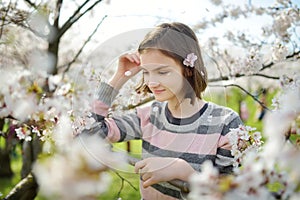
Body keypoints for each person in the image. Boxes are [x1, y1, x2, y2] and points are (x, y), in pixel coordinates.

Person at [85, 22, 243, 200]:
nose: (151, 82)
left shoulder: (226, 123)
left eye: (162, 72)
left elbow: (229, 193)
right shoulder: (149, 116)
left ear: (189, 68)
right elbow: (87, 133)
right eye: (146, 72)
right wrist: (119, 77)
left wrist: (185, 171)